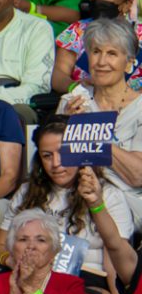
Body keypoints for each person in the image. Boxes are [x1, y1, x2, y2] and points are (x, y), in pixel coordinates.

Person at [4, 119, 137, 294]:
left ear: (80, 151)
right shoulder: (27, 192)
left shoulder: (108, 195)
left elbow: (114, 258)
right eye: (47, 156)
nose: (56, 163)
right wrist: (11, 261)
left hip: (88, 280)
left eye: (64, 152)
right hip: (32, 277)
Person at [60, 18, 142, 221]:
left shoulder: (140, 108)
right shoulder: (72, 102)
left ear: (129, 63)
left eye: (112, 53)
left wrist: (88, 130)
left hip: (128, 203)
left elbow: (136, 175)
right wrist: (65, 126)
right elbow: (57, 168)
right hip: (76, 199)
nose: (101, 62)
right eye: (96, 52)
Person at [0, 207, 90, 294]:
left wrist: (32, 290)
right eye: (23, 239)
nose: (31, 246)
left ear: (54, 250)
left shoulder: (69, 285)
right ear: (11, 249)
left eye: (41, 240)